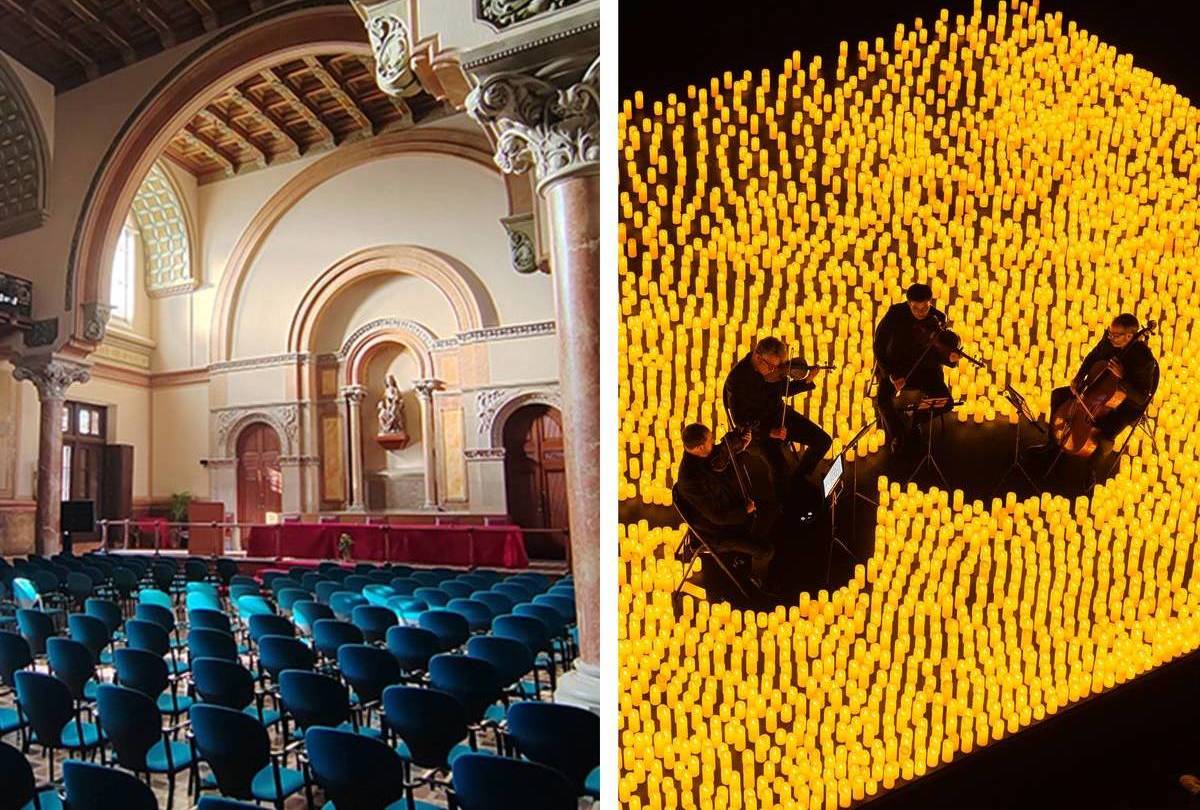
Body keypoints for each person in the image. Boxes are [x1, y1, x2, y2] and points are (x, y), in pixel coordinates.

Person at [1035, 313, 1157, 463]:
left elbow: (1141, 397)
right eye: (1109, 333)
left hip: (1125, 404)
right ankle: (1052, 444)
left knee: (1104, 435)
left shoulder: (1145, 358)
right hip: (1095, 390)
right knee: (1058, 395)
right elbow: (1093, 356)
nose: (1110, 337)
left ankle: (1091, 473)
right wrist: (1079, 378)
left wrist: (1122, 378)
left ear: (1129, 336)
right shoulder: (1109, 339)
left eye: (1115, 335)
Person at [723, 337, 833, 491]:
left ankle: (799, 478)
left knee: (824, 441)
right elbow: (741, 421)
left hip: (780, 414)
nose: (775, 371)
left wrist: (806, 381)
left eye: (778, 366)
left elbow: (782, 389)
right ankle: (785, 501)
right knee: (781, 471)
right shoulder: (737, 381)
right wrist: (770, 432)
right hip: (758, 431)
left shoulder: (772, 369)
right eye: (771, 366)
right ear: (757, 357)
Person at [673, 422, 774, 589]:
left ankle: (744, 555)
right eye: (709, 442)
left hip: (726, 512)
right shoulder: (691, 478)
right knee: (766, 550)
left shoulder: (703, 455)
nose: (713, 443)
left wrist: (741, 440)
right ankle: (757, 581)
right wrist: (745, 510)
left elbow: (723, 449)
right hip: (715, 531)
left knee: (769, 510)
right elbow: (718, 517)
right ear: (699, 448)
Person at [873, 283, 962, 452]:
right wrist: (890, 374)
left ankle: (914, 420)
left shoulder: (938, 318)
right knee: (883, 401)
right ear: (908, 304)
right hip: (897, 367)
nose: (921, 312)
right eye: (916, 308)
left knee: (946, 402)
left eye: (925, 307)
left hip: (925, 369)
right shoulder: (895, 314)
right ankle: (898, 435)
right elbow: (879, 345)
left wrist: (950, 357)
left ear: (930, 302)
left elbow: (940, 353)